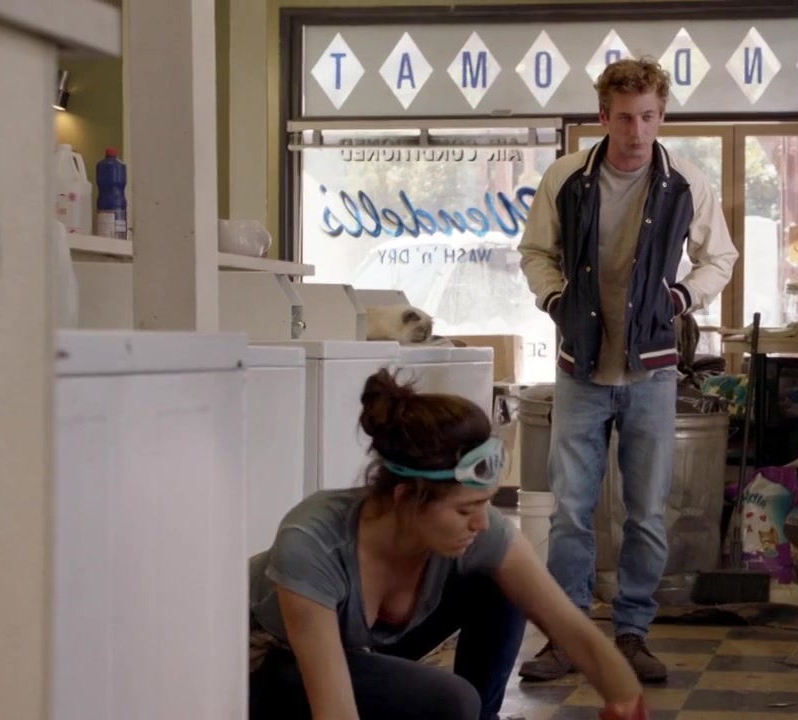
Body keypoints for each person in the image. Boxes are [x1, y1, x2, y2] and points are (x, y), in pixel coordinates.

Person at [247, 368, 650, 720]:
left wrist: (624, 695)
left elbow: (569, 627)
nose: (481, 522)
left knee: (502, 582)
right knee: (450, 701)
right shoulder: (313, 541)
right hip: (267, 660)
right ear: (406, 498)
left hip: (359, 649)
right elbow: (335, 711)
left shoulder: (475, 528)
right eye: (464, 509)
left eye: (485, 503)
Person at [516, 57, 739, 683]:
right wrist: (555, 299)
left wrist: (680, 298)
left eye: (647, 117)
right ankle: (567, 638)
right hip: (580, 368)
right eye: (623, 118)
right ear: (603, 117)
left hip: (652, 373)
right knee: (571, 511)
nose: (636, 132)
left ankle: (634, 634)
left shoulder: (687, 183)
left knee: (645, 513)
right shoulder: (565, 177)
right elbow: (535, 251)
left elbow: (719, 258)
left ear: (661, 116)